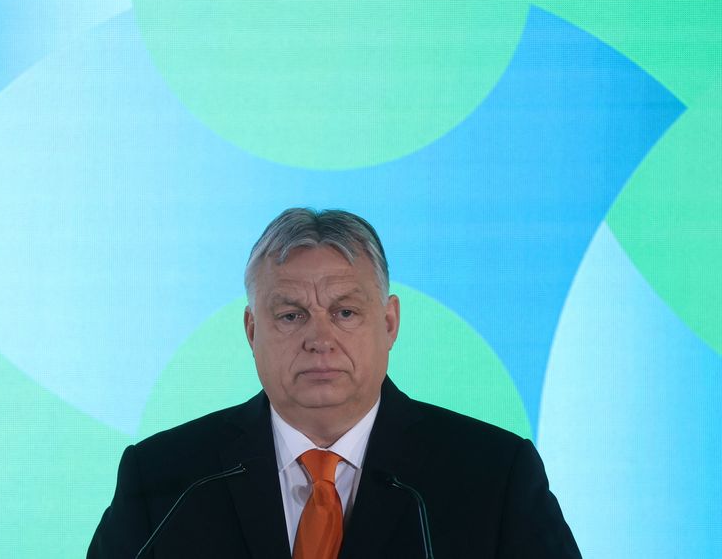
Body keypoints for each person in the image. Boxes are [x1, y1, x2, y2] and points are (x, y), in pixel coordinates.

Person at [88, 208, 581, 558]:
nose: (318, 339)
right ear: (252, 331)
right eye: (290, 315)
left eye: (345, 312)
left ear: (389, 324)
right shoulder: (165, 480)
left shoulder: (492, 475)